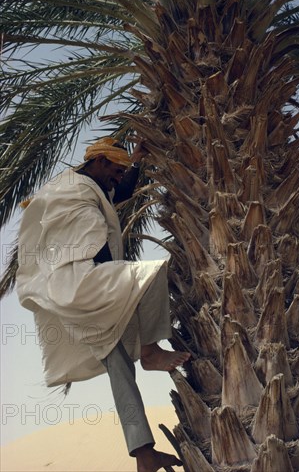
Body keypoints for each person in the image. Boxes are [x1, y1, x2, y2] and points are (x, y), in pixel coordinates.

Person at [16, 137, 190, 472]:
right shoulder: (73, 188)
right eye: (115, 169)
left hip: (83, 298)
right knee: (152, 273)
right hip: (84, 283)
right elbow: (83, 223)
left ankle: (144, 455)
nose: (117, 177)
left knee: (120, 369)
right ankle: (152, 351)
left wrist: (137, 161)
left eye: (121, 171)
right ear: (98, 162)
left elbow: (119, 195)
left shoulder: (88, 188)